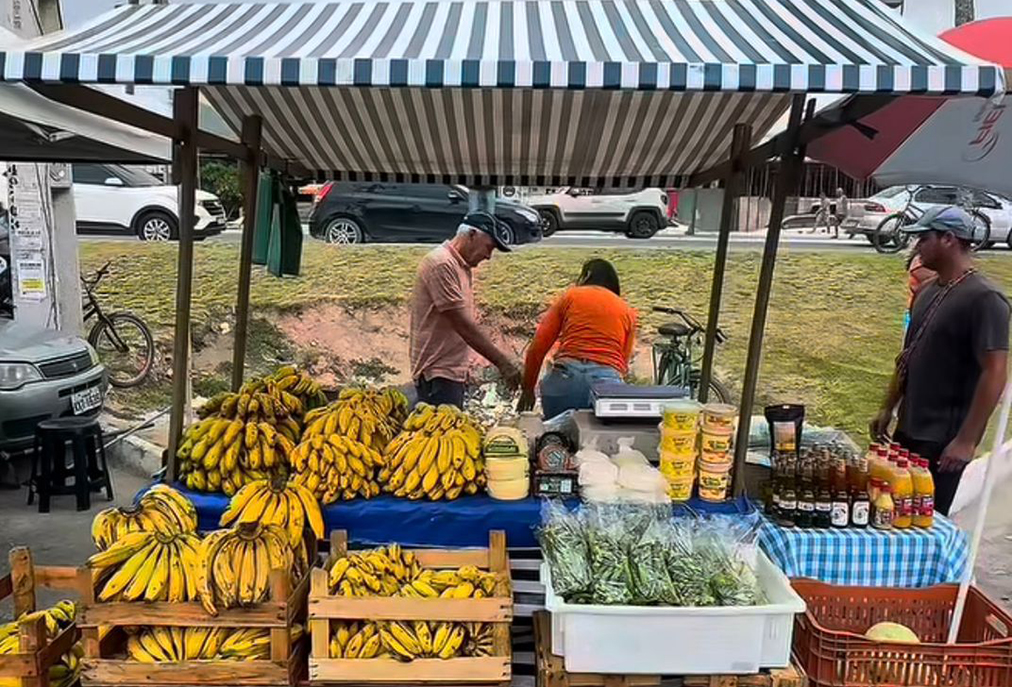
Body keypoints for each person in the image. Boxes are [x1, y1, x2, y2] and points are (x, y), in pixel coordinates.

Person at [870, 206, 1009, 515]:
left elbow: (995, 371)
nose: (917, 246)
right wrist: (888, 407)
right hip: (909, 429)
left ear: (948, 239)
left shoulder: (986, 299)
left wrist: (966, 440)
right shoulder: (927, 291)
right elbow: (906, 358)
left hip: (943, 439)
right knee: (891, 514)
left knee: (926, 521)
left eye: (923, 238)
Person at [409, 211, 521, 408]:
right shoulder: (441, 264)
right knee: (440, 436)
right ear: (471, 235)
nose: (488, 256)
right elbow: (462, 325)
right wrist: (503, 364)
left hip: (450, 371)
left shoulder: (461, 266)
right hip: (438, 372)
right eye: (489, 247)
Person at [517, 259, 637, 419]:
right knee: (601, 439)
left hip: (564, 380)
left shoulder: (571, 296)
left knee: (556, 437)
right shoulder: (627, 311)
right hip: (606, 386)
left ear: (586, 275)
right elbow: (623, 364)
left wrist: (528, 389)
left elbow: (537, 348)